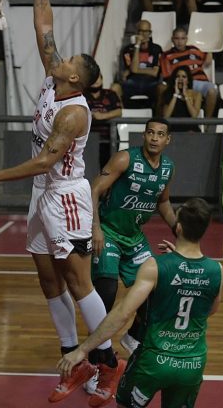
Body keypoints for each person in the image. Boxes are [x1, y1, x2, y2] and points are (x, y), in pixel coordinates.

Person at [0, 0, 125, 406]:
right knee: (48, 279)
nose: (59, 55)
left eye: (68, 59)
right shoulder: (56, 80)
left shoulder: (73, 113)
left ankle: (109, 362)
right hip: (42, 194)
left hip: (65, 195)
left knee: (79, 282)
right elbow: (44, 25)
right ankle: (74, 357)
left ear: (76, 78)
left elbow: (43, 163)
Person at [58, 198, 223, 408]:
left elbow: (122, 313)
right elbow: (209, 310)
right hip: (192, 364)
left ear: (179, 228)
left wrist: (83, 349)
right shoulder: (217, 270)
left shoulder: (155, 267)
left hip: (153, 362)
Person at [89, 118, 176, 354]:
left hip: (135, 238)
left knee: (155, 291)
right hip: (108, 232)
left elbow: (164, 202)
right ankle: (97, 355)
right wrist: (96, 228)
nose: (154, 138)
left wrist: (177, 228)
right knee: (107, 292)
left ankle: (133, 337)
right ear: (144, 135)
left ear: (168, 140)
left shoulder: (168, 168)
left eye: (160, 134)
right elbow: (94, 189)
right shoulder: (125, 158)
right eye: (150, 133)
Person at [159, 27, 217, 117]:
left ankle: (207, 122)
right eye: (177, 38)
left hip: (200, 82)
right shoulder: (166, 56)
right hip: (182, 83)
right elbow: (168, 77)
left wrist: (209, 56)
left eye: (182, 38)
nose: (180, 42)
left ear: (186, 39)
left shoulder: (194, 50)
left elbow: (207, 57)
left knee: (212, 91)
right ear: (172, 39)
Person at [112, 20, 163, 112]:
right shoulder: (128, 49)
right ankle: (122, 116)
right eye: (141, 31)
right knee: (115, 88)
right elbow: (132, 69)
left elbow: (154, 72)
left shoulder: (156, 48)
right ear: (136, 32)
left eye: (146, 31)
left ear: (150, 33)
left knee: (162, 88)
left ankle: (158, 116)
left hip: (151, 83)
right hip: (132, 82)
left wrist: (135, 70)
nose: (143, 34)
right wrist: (137, 46)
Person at [85, 72, 122, 167]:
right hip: (89, 139)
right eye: (93, 78)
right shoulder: (82, 95)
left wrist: (102, 116)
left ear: (102, 79)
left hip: (109, 139)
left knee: (108, 168)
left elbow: (119, 112)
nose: (96, 80)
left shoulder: (110, 94)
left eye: (98, 78)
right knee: (90, 168)